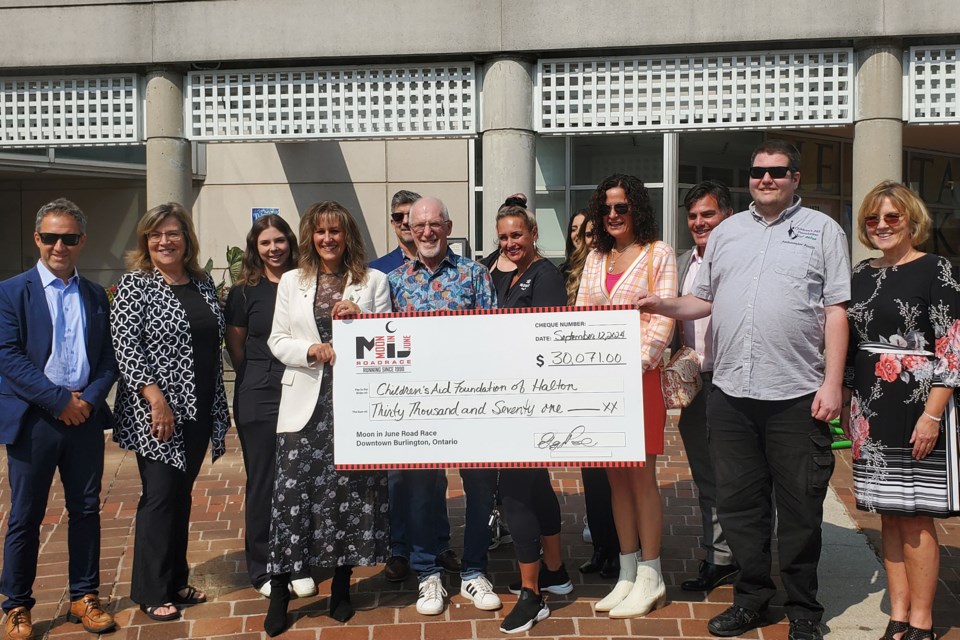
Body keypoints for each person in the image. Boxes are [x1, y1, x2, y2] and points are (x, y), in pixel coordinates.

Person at [638, 140, 850, 640]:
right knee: (739, 506)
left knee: (800, 510)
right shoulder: (727, 234)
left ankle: (803, 609)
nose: (766, 179)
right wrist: (659, 304)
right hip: (730, 395)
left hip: (797, 394)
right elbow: (701, 301)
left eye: (777, 172)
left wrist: (833, 383)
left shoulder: (823, 231)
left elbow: (837, 310)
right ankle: (753, 597)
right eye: (758, 172)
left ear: (796, 177)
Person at [263, 201, 392, 636]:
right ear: (310, 237)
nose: (328, 239)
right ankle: (280, 587)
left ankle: (341, 584)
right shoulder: (291, 282)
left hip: (352, 405)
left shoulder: (373, 281)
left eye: (335, 231)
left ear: (347, 235)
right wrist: (309, 351)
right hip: (304, 403)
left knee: (349, 497)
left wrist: (364, 320)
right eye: (320, 232)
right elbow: (277, 340)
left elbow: (388, 340)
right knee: (290, 499)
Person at [843, 181, 959, 640]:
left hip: (917, 406)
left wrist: (933, 415)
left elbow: (952, 350)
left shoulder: (936, 269)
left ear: (912, 220)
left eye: (892, 217)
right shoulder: (860, 274)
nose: (882, 226)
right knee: (887, 514)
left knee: (916, 515)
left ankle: (923, 621)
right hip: (871, 408)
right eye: (873, 218)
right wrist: (850, 403)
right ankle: (899, 612)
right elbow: (852, 347)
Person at [0, 199, 118, 640]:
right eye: (50, 237)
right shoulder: (12, 292)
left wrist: (87, 399)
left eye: (69, 238)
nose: (59, 246)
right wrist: (57, 400)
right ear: (37, 239)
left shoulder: (93, 294)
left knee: (86, 510)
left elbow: (107, 357)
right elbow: (8, 357)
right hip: (34, 420)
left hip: (84, 419)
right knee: (26, 516)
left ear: (82, 241)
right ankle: (16, 605)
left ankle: (84, 596)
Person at [112, 203, 230, 622]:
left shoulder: (200, 283)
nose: (165, 241)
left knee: (181, 495)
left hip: (198, 408)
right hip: (155, 413)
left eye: (173, 233)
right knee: (160, 498)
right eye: (156, 234)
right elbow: (126, 348)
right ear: (146, 241)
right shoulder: (135, 285)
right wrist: (155, 399)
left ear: (187, 239)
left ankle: (176, 579)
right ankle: (150, 589)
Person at [388, 196, 500, 617]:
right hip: (417, 408)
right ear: (409, 230)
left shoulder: (474, 275)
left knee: (479, 487)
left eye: (435, 224)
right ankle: (428, 574)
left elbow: (492, 336)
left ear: (448, 227)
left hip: (470, 403)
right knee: (420, 490)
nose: (428, 233)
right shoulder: (395, 283)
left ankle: (473, 570)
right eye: (420, 226)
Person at [575, 174, 676, 619]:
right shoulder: (596, 257)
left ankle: (652, 574)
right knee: (615, 477)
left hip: (639, 378)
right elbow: (581, 313)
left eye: (622, 207)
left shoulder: (659, 253)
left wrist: (627, 366)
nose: (613, 215)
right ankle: (627, 570)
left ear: (637, 208)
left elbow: (664, 318)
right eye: (607, 208)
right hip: (600, 382)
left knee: (641, 477)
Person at [489, 203, 572, 634]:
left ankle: (531, 595)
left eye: (517, 235)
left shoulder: (547, 276)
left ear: (534, 232)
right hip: (504, 395)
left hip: (529, 399)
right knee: (535, 484)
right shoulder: (497, 273)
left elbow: (546, 338)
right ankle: (555, 574)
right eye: (503, 237)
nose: (510, 244)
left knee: (514, 492)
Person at [369, 189, 459, 583]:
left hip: (452, 393)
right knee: (399, 475)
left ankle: (438, 544)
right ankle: (400, 549)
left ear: (444, 227)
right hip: (404, 396)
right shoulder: (385, 275)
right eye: (406, 219)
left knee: (434, 477)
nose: (416, 227)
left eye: (425, 221)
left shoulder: (468, 273)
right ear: (396, 223)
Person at [224, 214, 299, 597]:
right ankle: (264, 566)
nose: (274, 249)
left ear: (290, 242)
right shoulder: (243, 292)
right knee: (265, 479)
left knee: (300, 477)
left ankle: (297, 558)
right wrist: (257, 376)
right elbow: (236, 346)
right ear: (256, 247)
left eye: (280, 241)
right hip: (259, 390)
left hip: (303, 386)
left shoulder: (304, 282)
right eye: (265, 242)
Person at [673, 180, 738, 593]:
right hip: (696, 381)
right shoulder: (680, 263)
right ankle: (718, 558)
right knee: (706, 475)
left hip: (736, 381)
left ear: (727, 216)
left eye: (708, 214)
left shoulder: (743, 259)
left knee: (744, 474)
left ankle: (751, 556)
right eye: (693, 215)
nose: (699, 222)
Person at [563, 212, 619, 578]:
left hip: (609, 377)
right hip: (576, 379)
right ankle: (601, 546)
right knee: (592, 473)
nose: (584, 237)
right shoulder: (565, 273)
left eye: (589, 231)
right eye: (577, 231)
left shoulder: (607, 267)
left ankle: (619, 548)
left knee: (615, 471)